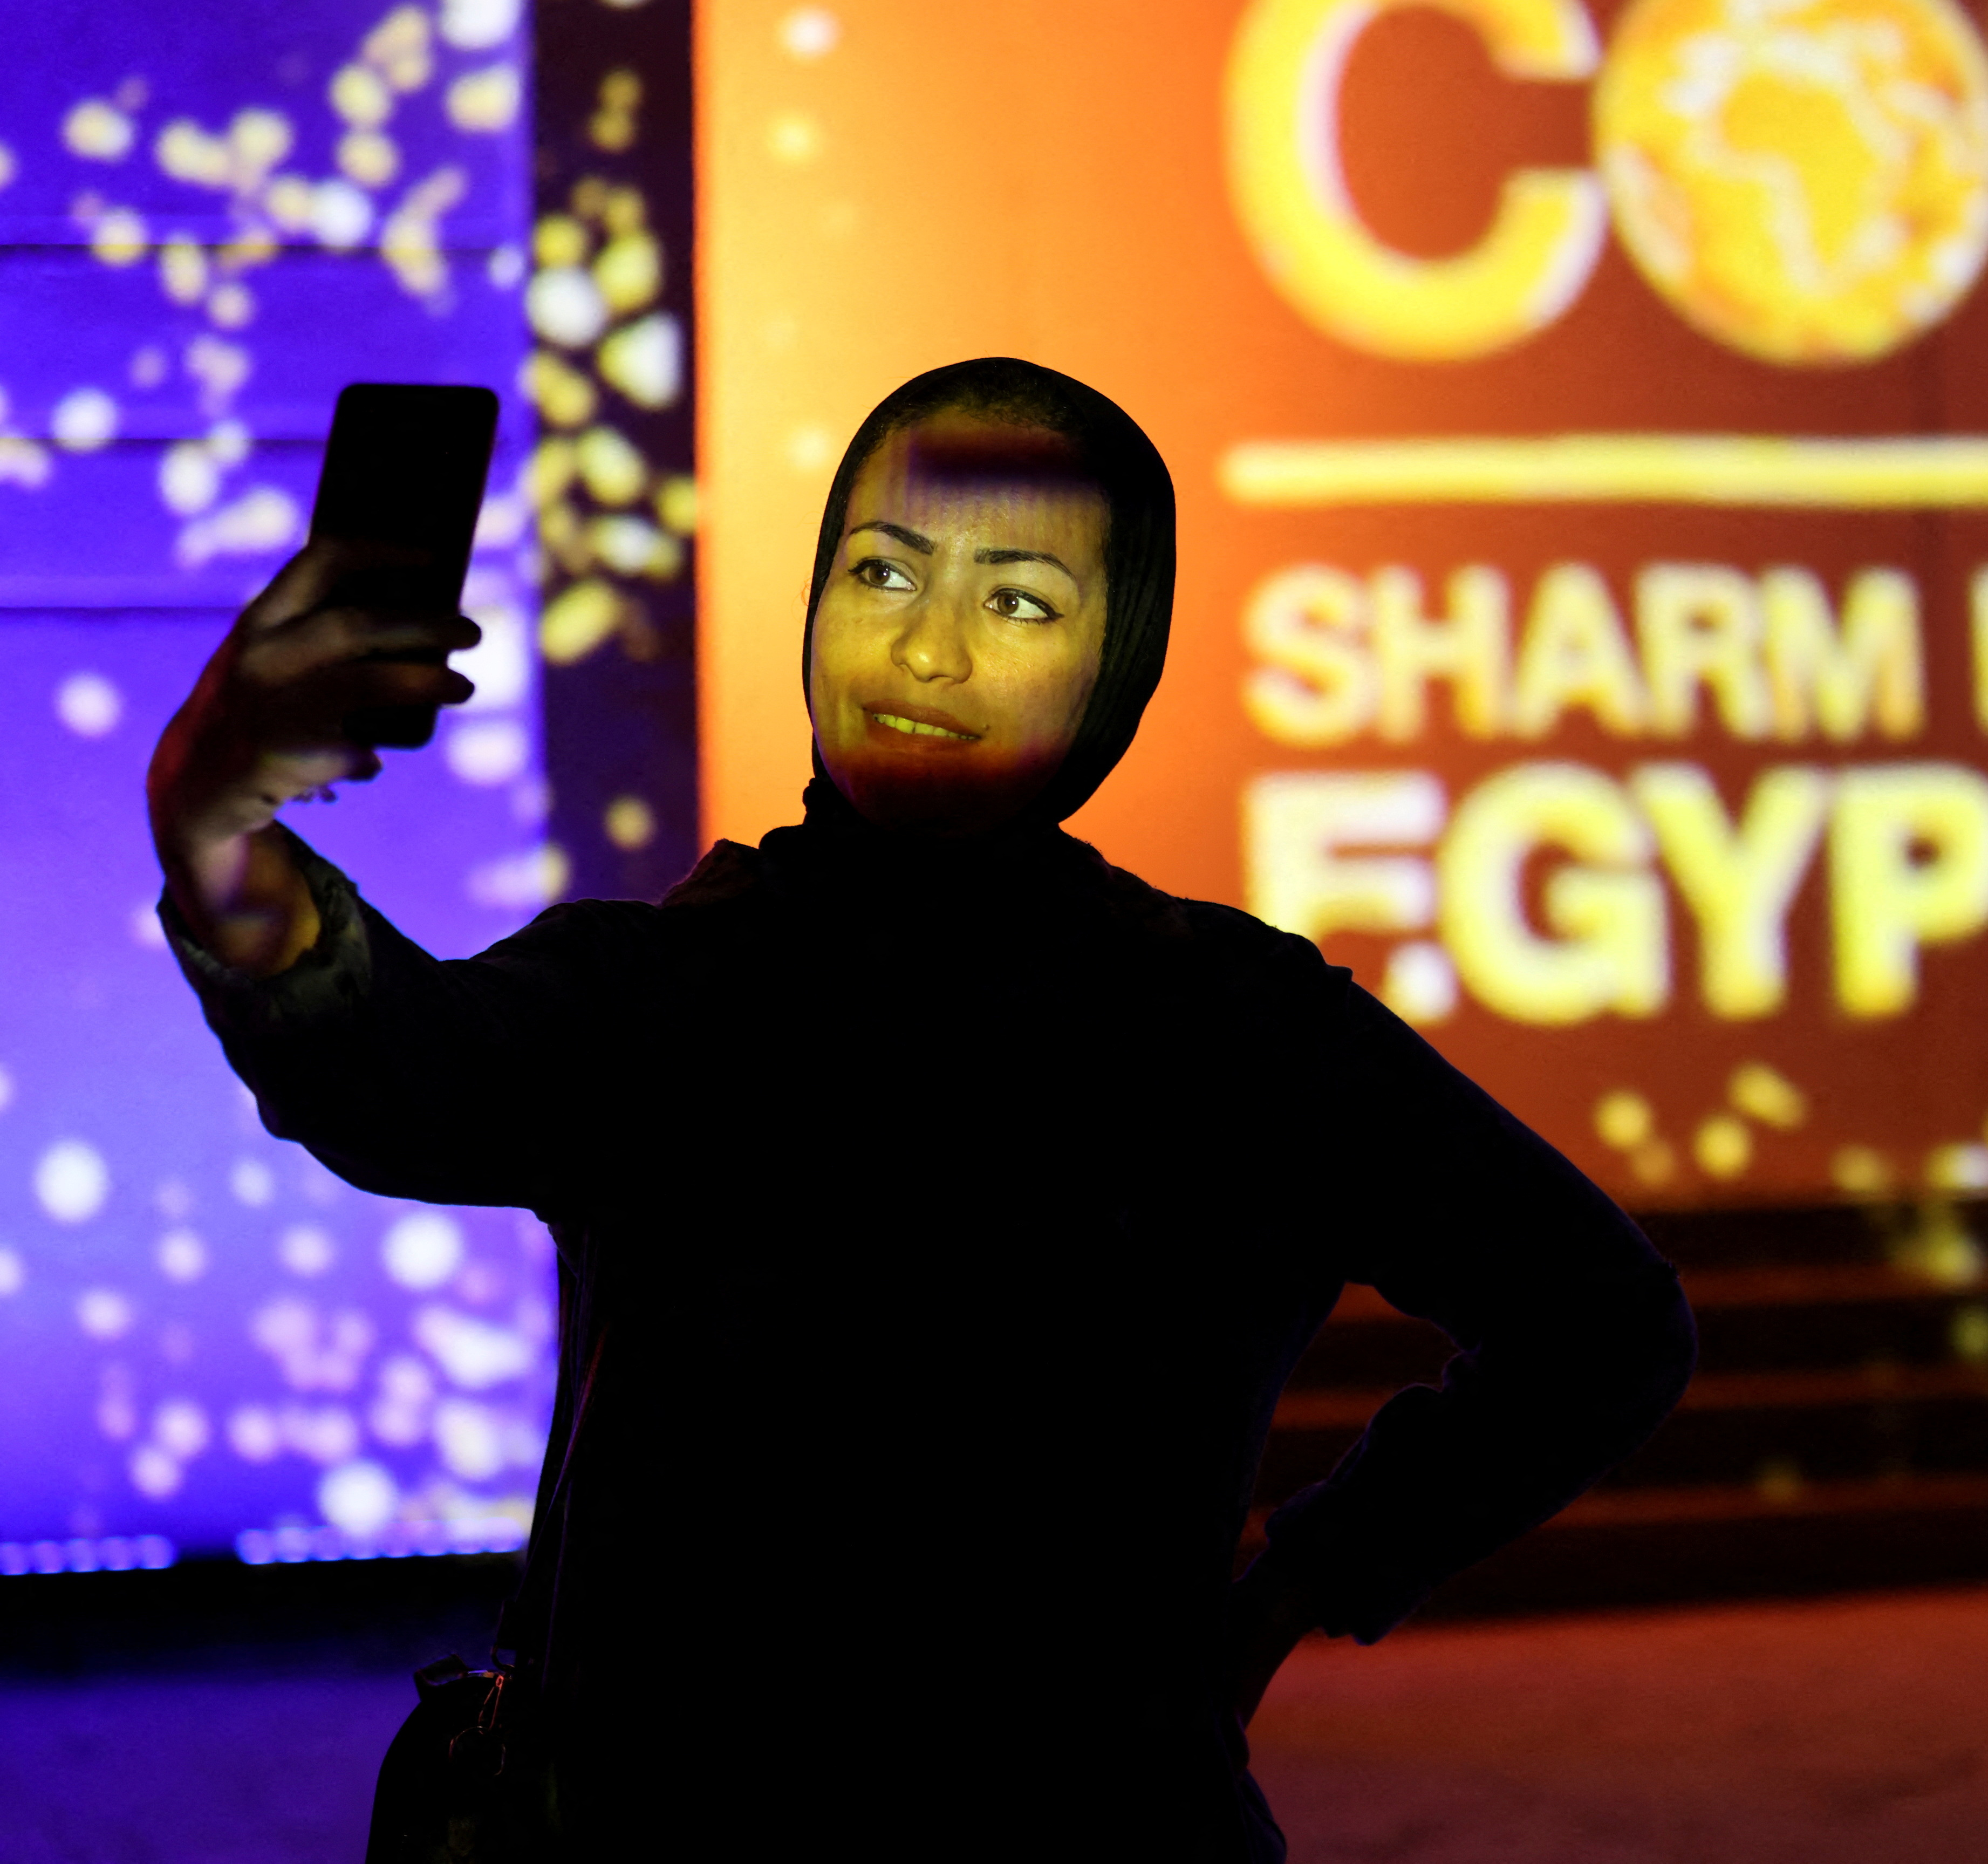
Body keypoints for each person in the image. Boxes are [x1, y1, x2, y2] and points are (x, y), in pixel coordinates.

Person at [146, 358, 1698, 1860]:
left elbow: (1600, 1319)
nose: (927, 652)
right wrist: (214, 808)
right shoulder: (673, 981)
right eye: (883, 574)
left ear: (1124, 659)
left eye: (1018, 599)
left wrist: (1305, 1572)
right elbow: (381, 1069)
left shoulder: (1236, 1025)